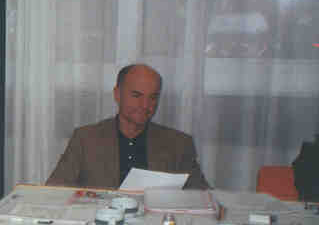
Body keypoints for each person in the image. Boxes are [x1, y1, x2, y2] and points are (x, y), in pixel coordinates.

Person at [45, 64, 211, 189]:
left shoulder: (179, 144)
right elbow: (54, 190)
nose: (145, 105)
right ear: (117, 94)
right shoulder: (85, 139)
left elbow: (202, 197)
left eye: (153, 97)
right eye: (136, 95)